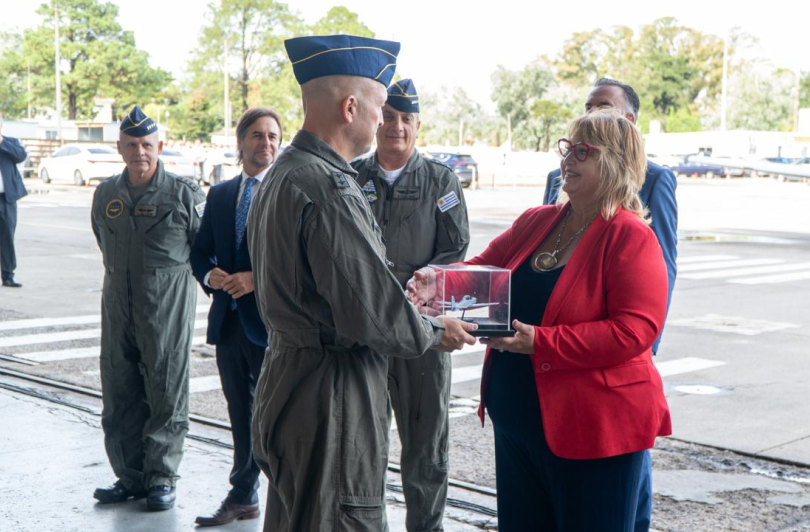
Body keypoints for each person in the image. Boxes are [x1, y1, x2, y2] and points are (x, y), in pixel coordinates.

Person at [246, 35, 478, 532]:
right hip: (332, 394)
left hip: (290, 380)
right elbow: (372, 312)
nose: (382, 120)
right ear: (351, 107)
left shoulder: (285, 173)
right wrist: (439, 332)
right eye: (378, 107)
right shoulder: (329, 187)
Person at [410, 110, 672, 532]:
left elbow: (635, 331)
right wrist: (435, 283)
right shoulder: (539, 220)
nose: (568, 159)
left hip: (593, 430)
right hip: (519, 421)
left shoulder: (629, 235)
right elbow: (483, 270)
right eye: (568, 147)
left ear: (617, 163)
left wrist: (543, 342)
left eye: (583, 151)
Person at [542, 78, 678, 532]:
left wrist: (639, 347)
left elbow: (662, 265)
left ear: (628, 124)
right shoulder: (555, 183)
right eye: (588, 107)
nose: (572, 155)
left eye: (605, 109)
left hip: (616, 365)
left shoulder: (653, 182)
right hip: (553, 368)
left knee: (620, 502)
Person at [352, 78, 470, 532]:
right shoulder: (353, 176)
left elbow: (456, 250)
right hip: (366, 333)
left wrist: (416, 287)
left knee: (426, 444)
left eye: (407, 119)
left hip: (424, 333)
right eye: (390, 117)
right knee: (364, 444)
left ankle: (427, 526)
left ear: (417, 125)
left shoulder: (441, 181)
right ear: (377, 120)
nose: (397, 126)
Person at [90, 105, 206, 511]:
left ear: (160, 146)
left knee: (166, 386)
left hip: (166, 308)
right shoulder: (106, 194)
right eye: (132, 145)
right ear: (120, 147)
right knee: (119, 388)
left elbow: (202, 249)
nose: (140, 152)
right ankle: (131, 476)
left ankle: (161, 476)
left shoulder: (183, 194)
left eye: (147, 145)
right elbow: (103, 242)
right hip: (117, 306)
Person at [190, 107, 282, 526]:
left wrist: (255, 280)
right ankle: (244, 494)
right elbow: (200, 251)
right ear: (241, 141)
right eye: (258, 135)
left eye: (273, 137)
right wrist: (210, 274)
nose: (267, 143)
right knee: (239, 414)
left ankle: (281, 496)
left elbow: (298, 262)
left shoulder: (285, 192)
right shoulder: (222, 194)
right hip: (228, 322)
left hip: (270, 326)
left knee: (274, 416)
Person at [0, 111, 28, 288]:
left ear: (0, 127)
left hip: (5, 199)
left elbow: (21, 156)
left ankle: (8, 275)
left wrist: (0, 141)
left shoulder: (10, 142)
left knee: (7, 238)